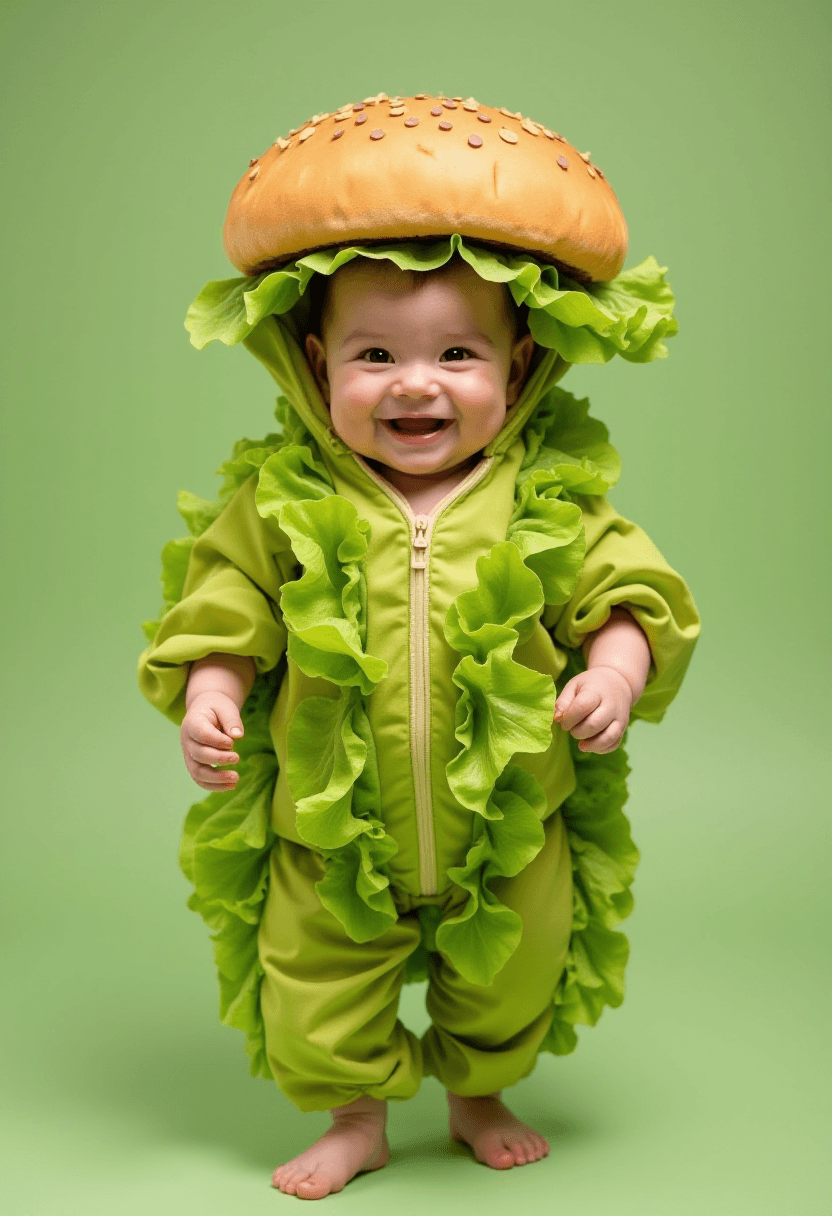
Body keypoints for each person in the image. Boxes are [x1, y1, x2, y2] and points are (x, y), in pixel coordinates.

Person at [138, 94, 700, 1200]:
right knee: (316, 976)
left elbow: (629, 591)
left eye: (456, 352)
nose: (415, 382)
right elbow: (227, 596)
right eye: (374, 353)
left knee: (511, 972)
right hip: (332, 834)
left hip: (509, 829)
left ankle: (479, 1093)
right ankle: (356, 1118)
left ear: (521, 362)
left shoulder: (547, 494)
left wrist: (614, 669)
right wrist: (213, 683)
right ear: (312, 363)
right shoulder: (285, 495)